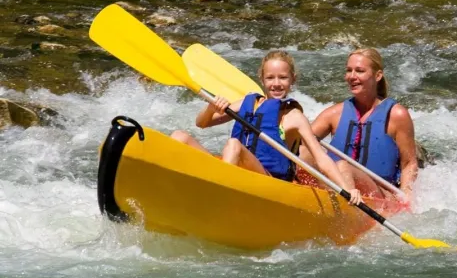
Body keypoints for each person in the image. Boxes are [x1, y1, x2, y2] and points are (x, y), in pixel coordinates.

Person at [171, 50, 362, 205]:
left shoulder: (294, 116)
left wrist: (347, 188)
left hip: (269, 182)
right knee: (180, 137)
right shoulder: (247, 103)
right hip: (235, 172)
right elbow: (201, 123)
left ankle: (217, 198)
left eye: (283, 78)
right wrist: (211, 107)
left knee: (233, 145)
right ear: (262, 79)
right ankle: (176, 189)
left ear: (292, 80)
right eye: (270, 78)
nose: (276, 84)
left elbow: (320, 157)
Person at [302, 48, 418, 206]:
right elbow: (301, 145)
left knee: (343, 165)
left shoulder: (396, 115)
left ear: (377, 76)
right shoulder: (333, 113)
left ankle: (345, 207)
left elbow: (409, 163)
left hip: (379, 194)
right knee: (303, 151)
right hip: (337, 186)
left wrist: (406, 197)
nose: (352, 76)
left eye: (360, 71)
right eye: (349, 71)